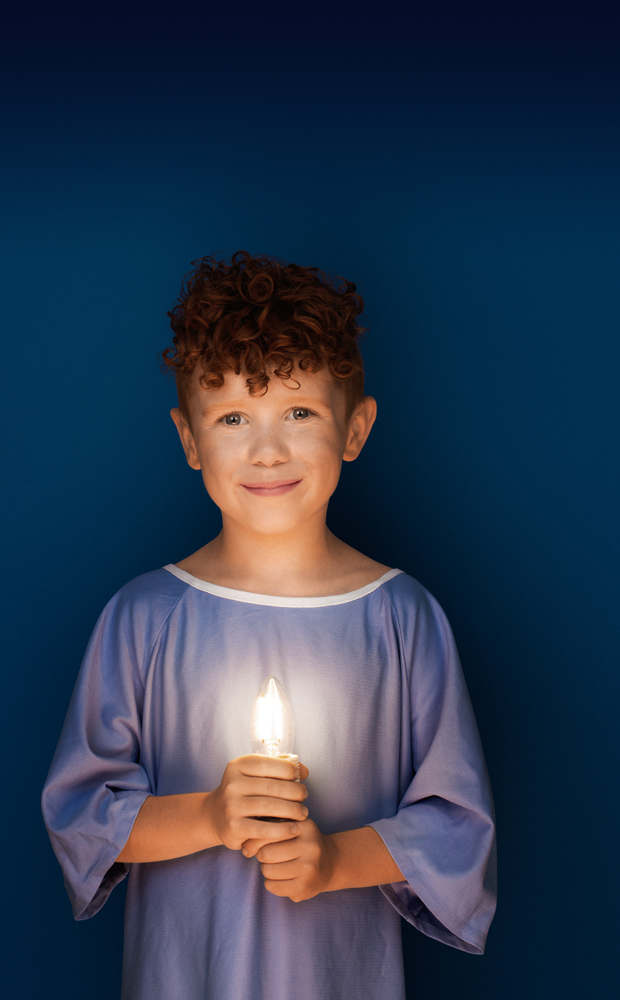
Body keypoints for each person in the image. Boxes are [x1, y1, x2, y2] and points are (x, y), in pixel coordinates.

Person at [41, 251, 496, 1000]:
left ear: (355, 427)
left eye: (299, 411)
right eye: (231, 418)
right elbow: (84, 817)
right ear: (189, 440)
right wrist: (213, 815)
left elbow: (456, 826)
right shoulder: (143, 618)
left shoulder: (401, 617)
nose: (267, 450)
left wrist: (334, 862)